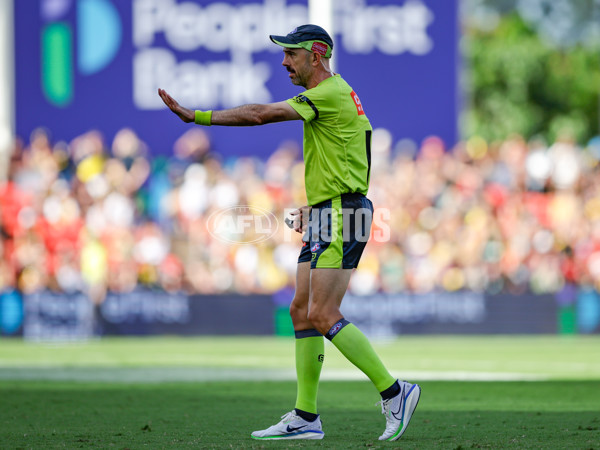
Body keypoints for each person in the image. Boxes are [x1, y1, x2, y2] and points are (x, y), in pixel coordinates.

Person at [158, 24, 421, 442]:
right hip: (327, 210)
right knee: (301, 310)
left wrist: (197, 116)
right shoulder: (334, 96)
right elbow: (351, 153)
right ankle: (305, 416)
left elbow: (260, 114)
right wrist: (318, 203)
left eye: (291, 54)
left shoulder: (329, 93)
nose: (284, 62)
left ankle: (395, 391)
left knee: (322, 313)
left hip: (341, 213)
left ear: (315, 56)